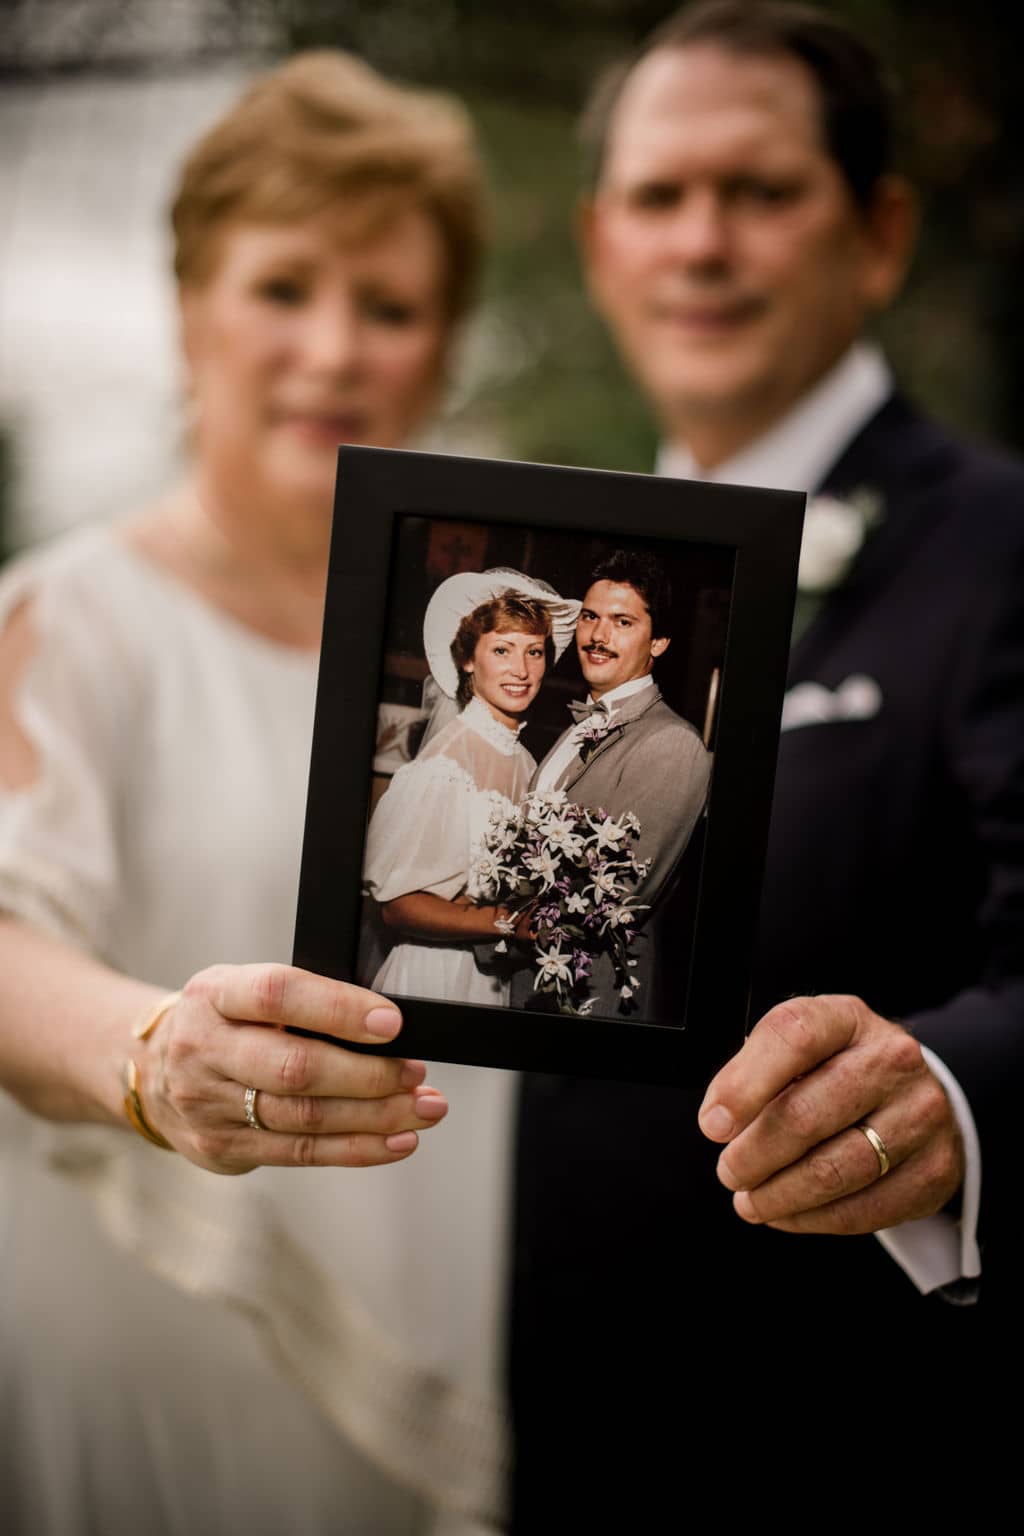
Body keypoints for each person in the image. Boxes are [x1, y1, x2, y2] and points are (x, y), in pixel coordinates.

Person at [509, 2, 1024, 1520]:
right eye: (661, 200)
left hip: (880, 1435)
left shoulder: (1004, 548)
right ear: (604, 249)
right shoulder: (565, 591)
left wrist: (953, 1096)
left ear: (878, 232)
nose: (702, 243)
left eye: (762, 191)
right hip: (571, 1418)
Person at [0, 52, 514, 1534]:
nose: (335, 347)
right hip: (157, 1360)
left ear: (446, 341)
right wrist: (154, 1053)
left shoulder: (498, 649)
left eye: (391, 305)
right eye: (285, 287)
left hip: (452, 1308)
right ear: (188, 312)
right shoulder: (74, 620)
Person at [364, 571, 580, 1005]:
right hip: (433, 977)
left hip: (493, 983)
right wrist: (503, 922)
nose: (521, 670)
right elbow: (398, 907)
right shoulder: (444, 764)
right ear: (467, 660)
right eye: (502, 650)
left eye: (534, 652)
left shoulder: (528, 762)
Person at [524, 549, 710, 1017]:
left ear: (659, 642)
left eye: (623, 622)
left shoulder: (673, 744)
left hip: (591, 999)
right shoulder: (578, 724)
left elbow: (616, 897)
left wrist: (485, 925)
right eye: (590, 617)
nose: (598, 636)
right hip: (526, 984)